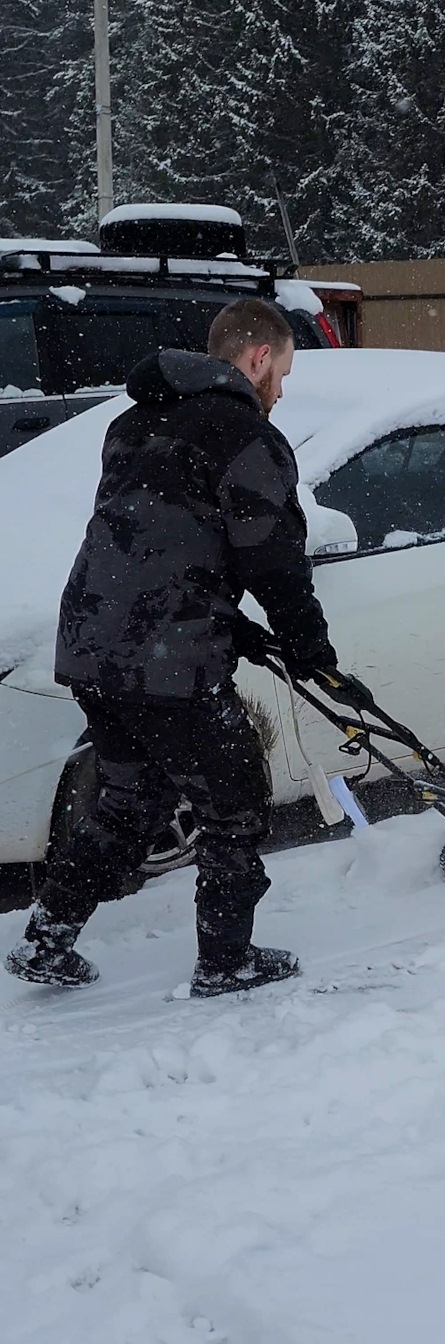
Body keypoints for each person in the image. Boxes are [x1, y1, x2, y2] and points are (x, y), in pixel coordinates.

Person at [5, 296, 356, 998]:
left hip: (91, 646)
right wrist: (308, 645)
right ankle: (226, 960)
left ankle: (48, 938)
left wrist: (232, 621)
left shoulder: (134, 422)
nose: (280, 391)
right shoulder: (244, 434)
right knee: (236, 800)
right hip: (166, 660)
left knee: (129, 800)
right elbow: (273, 559)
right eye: (281, 373)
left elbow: (160, 542)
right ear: (258, 357)